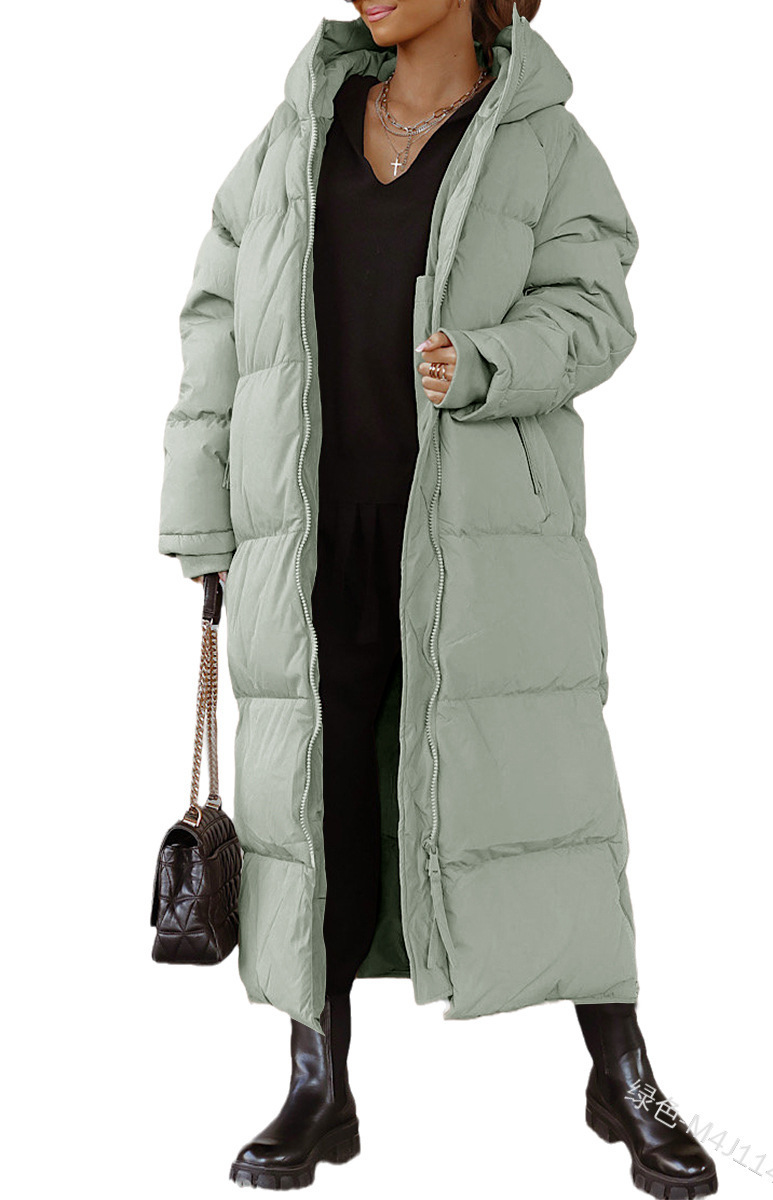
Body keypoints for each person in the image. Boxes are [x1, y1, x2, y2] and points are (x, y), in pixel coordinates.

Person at [158, 2, 717, 1194]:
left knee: (548, 805)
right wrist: (202, 513)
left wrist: (488, 359)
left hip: (477, 544)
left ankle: (622, 1078)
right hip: (308, 539)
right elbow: (215, 322)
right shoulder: (295, 131)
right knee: (314, 815)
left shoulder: (540, 139)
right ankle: (317, 1085)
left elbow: (596, 310)